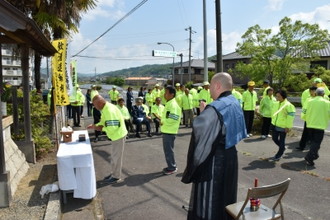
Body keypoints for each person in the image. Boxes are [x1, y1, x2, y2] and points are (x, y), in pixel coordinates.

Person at [182, 72, 246, 220]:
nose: (209, 89)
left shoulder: (215, 108)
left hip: (214, 160)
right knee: (226, 194)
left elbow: (201, 133)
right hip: (231, 155)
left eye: (210, 85)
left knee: (210, 198)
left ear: (217, 86)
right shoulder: (235, 102)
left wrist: (203, 114)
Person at [87, 95, 127, 184]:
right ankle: (114, 173)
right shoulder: (105, 108)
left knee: (116, 157)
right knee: (114, 156)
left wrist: (99, 128)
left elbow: (112, 127)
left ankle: (116, 176)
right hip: (116, 135)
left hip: (118, 135)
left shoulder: (109, 110)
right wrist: (96, 125)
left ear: (100, 103)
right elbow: (104, 121)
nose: (95, 107)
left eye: (95, 105)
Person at [302, 88, 330, 166]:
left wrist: (305, 119)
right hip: (320, 126)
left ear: (316, 94)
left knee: (313, 142)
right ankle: (309, 157)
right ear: (323, 94)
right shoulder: (327, 103)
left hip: (310, 125)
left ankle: (315, 155)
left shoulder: (309, 101)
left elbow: (304, 111)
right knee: (316, 143)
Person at [269, 90, 295, 161]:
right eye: (276, 96)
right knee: (274, 138)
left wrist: (288, 127)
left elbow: (291, 117)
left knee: (282, 140)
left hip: (283, 126)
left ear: (283, 97)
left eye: (279, 96)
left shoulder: (289, 105)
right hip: (275, 124)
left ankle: (278, 155)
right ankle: (282, 148)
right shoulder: (276, 103)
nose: (277, 98)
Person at [161, 85, 181, 175]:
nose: (164, 95)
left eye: (166, 93)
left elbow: (174, 118)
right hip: (167, 130)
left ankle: (172, 167)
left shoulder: (173, 105)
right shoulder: (169, 103)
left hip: (169, 130)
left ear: (172, 94)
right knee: (168, 150)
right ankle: (171, 165)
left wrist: (163, 121)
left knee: (168, 150)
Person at [297, 86, 317, 150]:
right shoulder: (308, 99)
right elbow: (304, 109)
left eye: (313, 91)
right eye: (310, 91)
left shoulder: (319, 99)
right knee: (305, 132)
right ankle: (301, 146)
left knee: (314, 134)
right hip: (308, 119)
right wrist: (304, 116)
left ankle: (312, 148)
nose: (311, 92)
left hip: (315, 119)